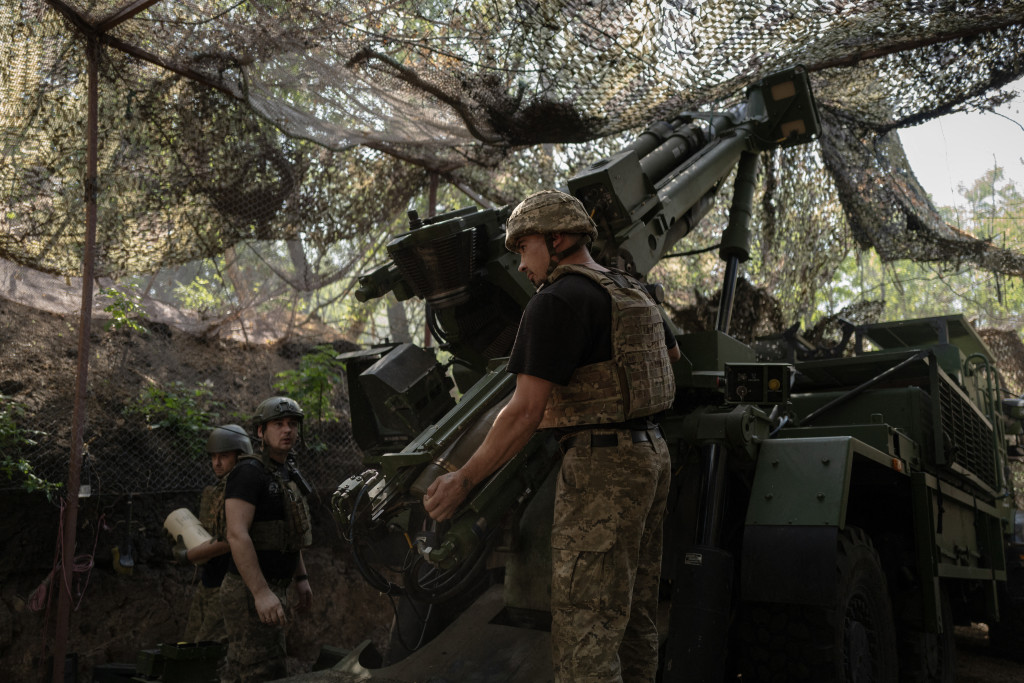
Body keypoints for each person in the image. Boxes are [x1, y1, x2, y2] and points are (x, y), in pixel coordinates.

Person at [424, 189, 679, 683]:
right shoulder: (630, 289)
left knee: (587, 631)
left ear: (556, 239)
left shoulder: (557, 300)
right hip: (651, 456)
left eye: (523, 247)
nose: (520, 264)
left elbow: (523, 414)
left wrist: (463, 480)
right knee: (634, 618)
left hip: (601, 468)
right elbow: (667, 360)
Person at [221, 396, 314, 682]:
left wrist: (301, 578)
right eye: (278, 424)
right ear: (261, 432)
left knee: (249, 669)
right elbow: (236, 534)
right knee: (263, 670)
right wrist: (261, 593)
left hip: (275, 587)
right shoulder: (248, 473)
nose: (287, 430)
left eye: (291, 424)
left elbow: (290, 532)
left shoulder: (285, 470)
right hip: (250, 591)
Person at [177, 424, 251, 644]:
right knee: (189, 644)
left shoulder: (241, 491)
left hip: (229, 584)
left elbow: (230, 540)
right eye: (214, 457)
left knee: (206, 649)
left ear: (239, 457)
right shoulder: (215, 491)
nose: (217, 463)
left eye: (224, 456)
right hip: (209, 580)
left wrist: (188, 556)